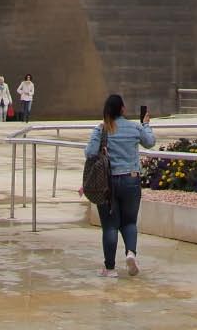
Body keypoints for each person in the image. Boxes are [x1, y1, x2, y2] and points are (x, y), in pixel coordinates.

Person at [86, 94, 155, 279]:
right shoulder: (134, 127)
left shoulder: (103, 130)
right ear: (123, 109)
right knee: (130, 222)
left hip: (108, 184)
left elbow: (90, 153)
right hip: (131, 180)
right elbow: (150, 142)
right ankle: (131, 253)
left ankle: (110, 269)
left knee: (110, 226)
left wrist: (97, 131)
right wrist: (146, 123)